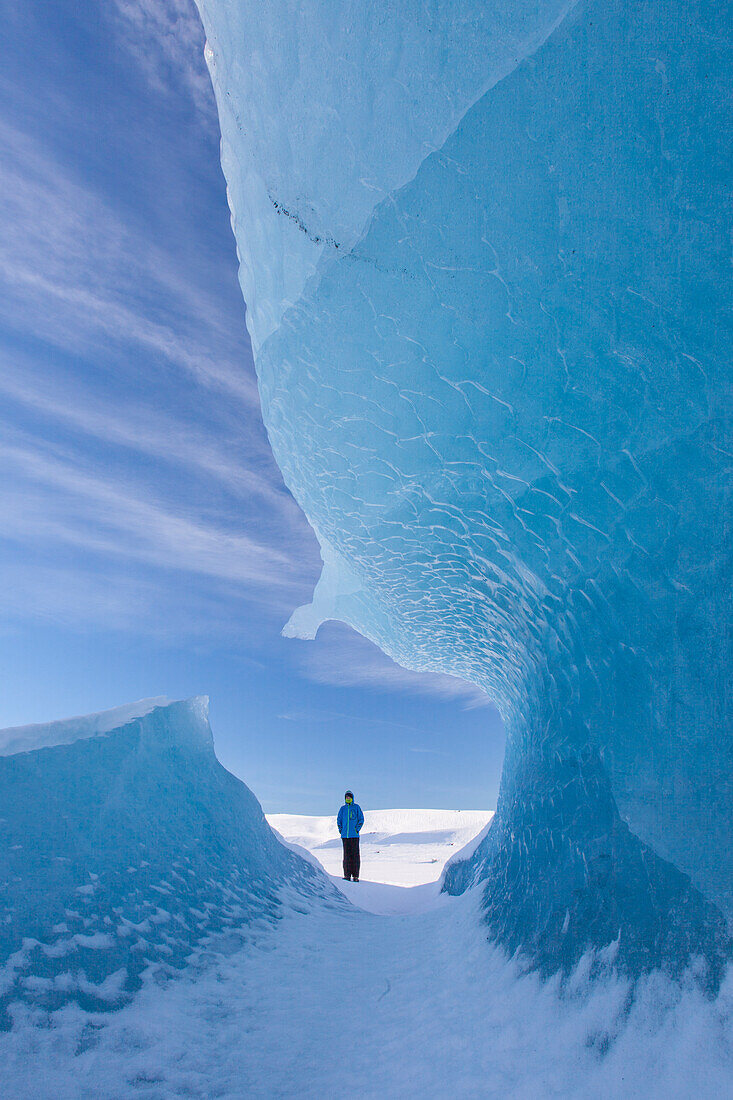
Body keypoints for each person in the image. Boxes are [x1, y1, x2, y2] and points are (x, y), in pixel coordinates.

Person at [337, 790, 364, 881]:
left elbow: (361, 819)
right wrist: (341, 830)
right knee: (346, 856)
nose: (348, 798)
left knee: (355, 856)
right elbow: (339, 820)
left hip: (354, 836)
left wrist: (357, 829)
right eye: (346, 797)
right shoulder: (343, 809)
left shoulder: (356, 807)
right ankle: (347, 875)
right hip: (345, 836)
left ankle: (355, 876)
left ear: (352, 798)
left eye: (349, 797)